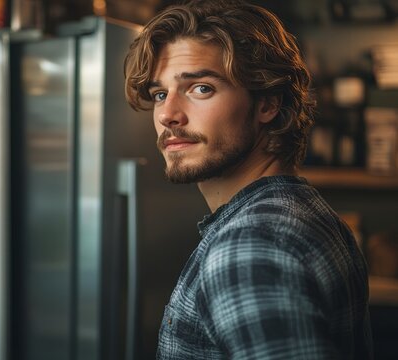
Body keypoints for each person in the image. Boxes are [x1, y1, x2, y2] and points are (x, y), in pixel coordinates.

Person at [123, 1, 373, 359]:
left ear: (267, 104)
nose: (167, 114)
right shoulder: (301, 210)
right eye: (160, 94)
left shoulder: (249, 245)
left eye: (201, 88)